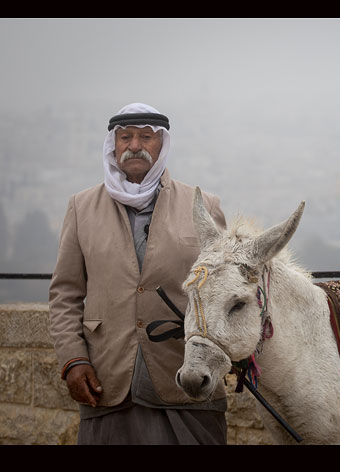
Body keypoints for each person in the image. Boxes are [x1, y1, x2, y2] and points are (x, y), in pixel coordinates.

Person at [49, 103, 228, 445]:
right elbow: (65, 295)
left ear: (162, 145)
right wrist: (73, 360)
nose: (135, 145)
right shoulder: (81, 208)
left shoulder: (203, 204)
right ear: (113, 145)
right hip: (108, 377)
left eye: (147, 137)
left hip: (185, 379)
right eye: (126, 137)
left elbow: (223, 290)